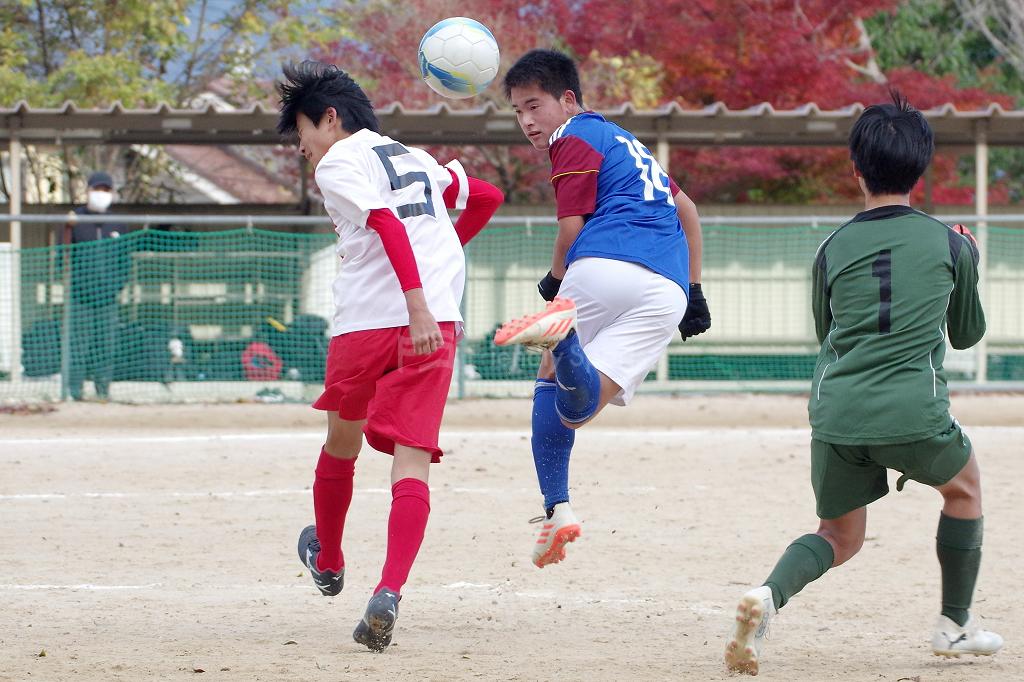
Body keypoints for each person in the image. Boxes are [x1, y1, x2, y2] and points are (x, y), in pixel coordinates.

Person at [724, 92, 1002, 675]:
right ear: (920, 171)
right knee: (966, 490)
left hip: (836, 413)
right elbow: (968, 334)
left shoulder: (831, 248)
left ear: (856, 169)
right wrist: (969, 259)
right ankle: (954, 626)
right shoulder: (950, 244)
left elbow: (827, 333)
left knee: (837, 536)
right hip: (913, 412)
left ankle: (768, 597)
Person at [276, 60, 503, 652]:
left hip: (373, 321)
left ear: (330, 118)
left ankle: (328, 559)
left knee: (341, 445)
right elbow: (486, 196)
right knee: (412, 462)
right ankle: (390, 590)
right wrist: (438, 271)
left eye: (301, 130)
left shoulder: (339, 162)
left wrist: (416, 302)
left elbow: (383, 224)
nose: (301, 146)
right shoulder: (417, 159)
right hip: (434, 321)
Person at [496, 49, 709, 568]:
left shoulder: (572, 137)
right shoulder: (628, 143)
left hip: (603, 263)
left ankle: (555, 505)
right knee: (578, 406)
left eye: (534, 106)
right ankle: (559, 516)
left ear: (567, 100)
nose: (526, 122)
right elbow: (688, 209)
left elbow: (571, 229)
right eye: (518, 112)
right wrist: (696, 289)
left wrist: (554, 280)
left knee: (548, 381)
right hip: (667, 291)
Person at [61, 171, 129, 401]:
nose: (101, 194)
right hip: (80, 298)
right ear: (88, 191)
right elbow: (64, 256)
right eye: (97, 189)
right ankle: (74, 392)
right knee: (77, 347)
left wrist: (116, 287)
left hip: (107, 299)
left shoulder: (118, 223)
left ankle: (103, 391)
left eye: (106, 190)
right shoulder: (75, 220)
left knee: (105, 347)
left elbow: (124, 261)